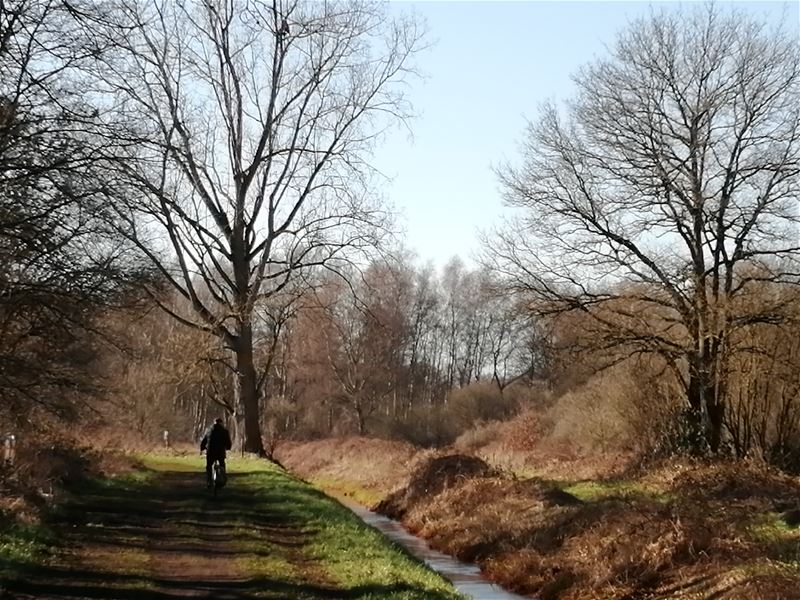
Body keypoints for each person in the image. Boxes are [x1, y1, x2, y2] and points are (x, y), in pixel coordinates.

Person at [200, 418, 232, 488]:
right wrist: (228, 447)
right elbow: (228, 442)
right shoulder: (224, 431)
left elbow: (204, 441)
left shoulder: (209, 430)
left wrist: (202, 448)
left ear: (214, 423)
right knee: (222, 464)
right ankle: (223, 478)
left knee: (209, 466)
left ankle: (209, 481)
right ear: (221, 423)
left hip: (210, 452)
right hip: (220, 452)